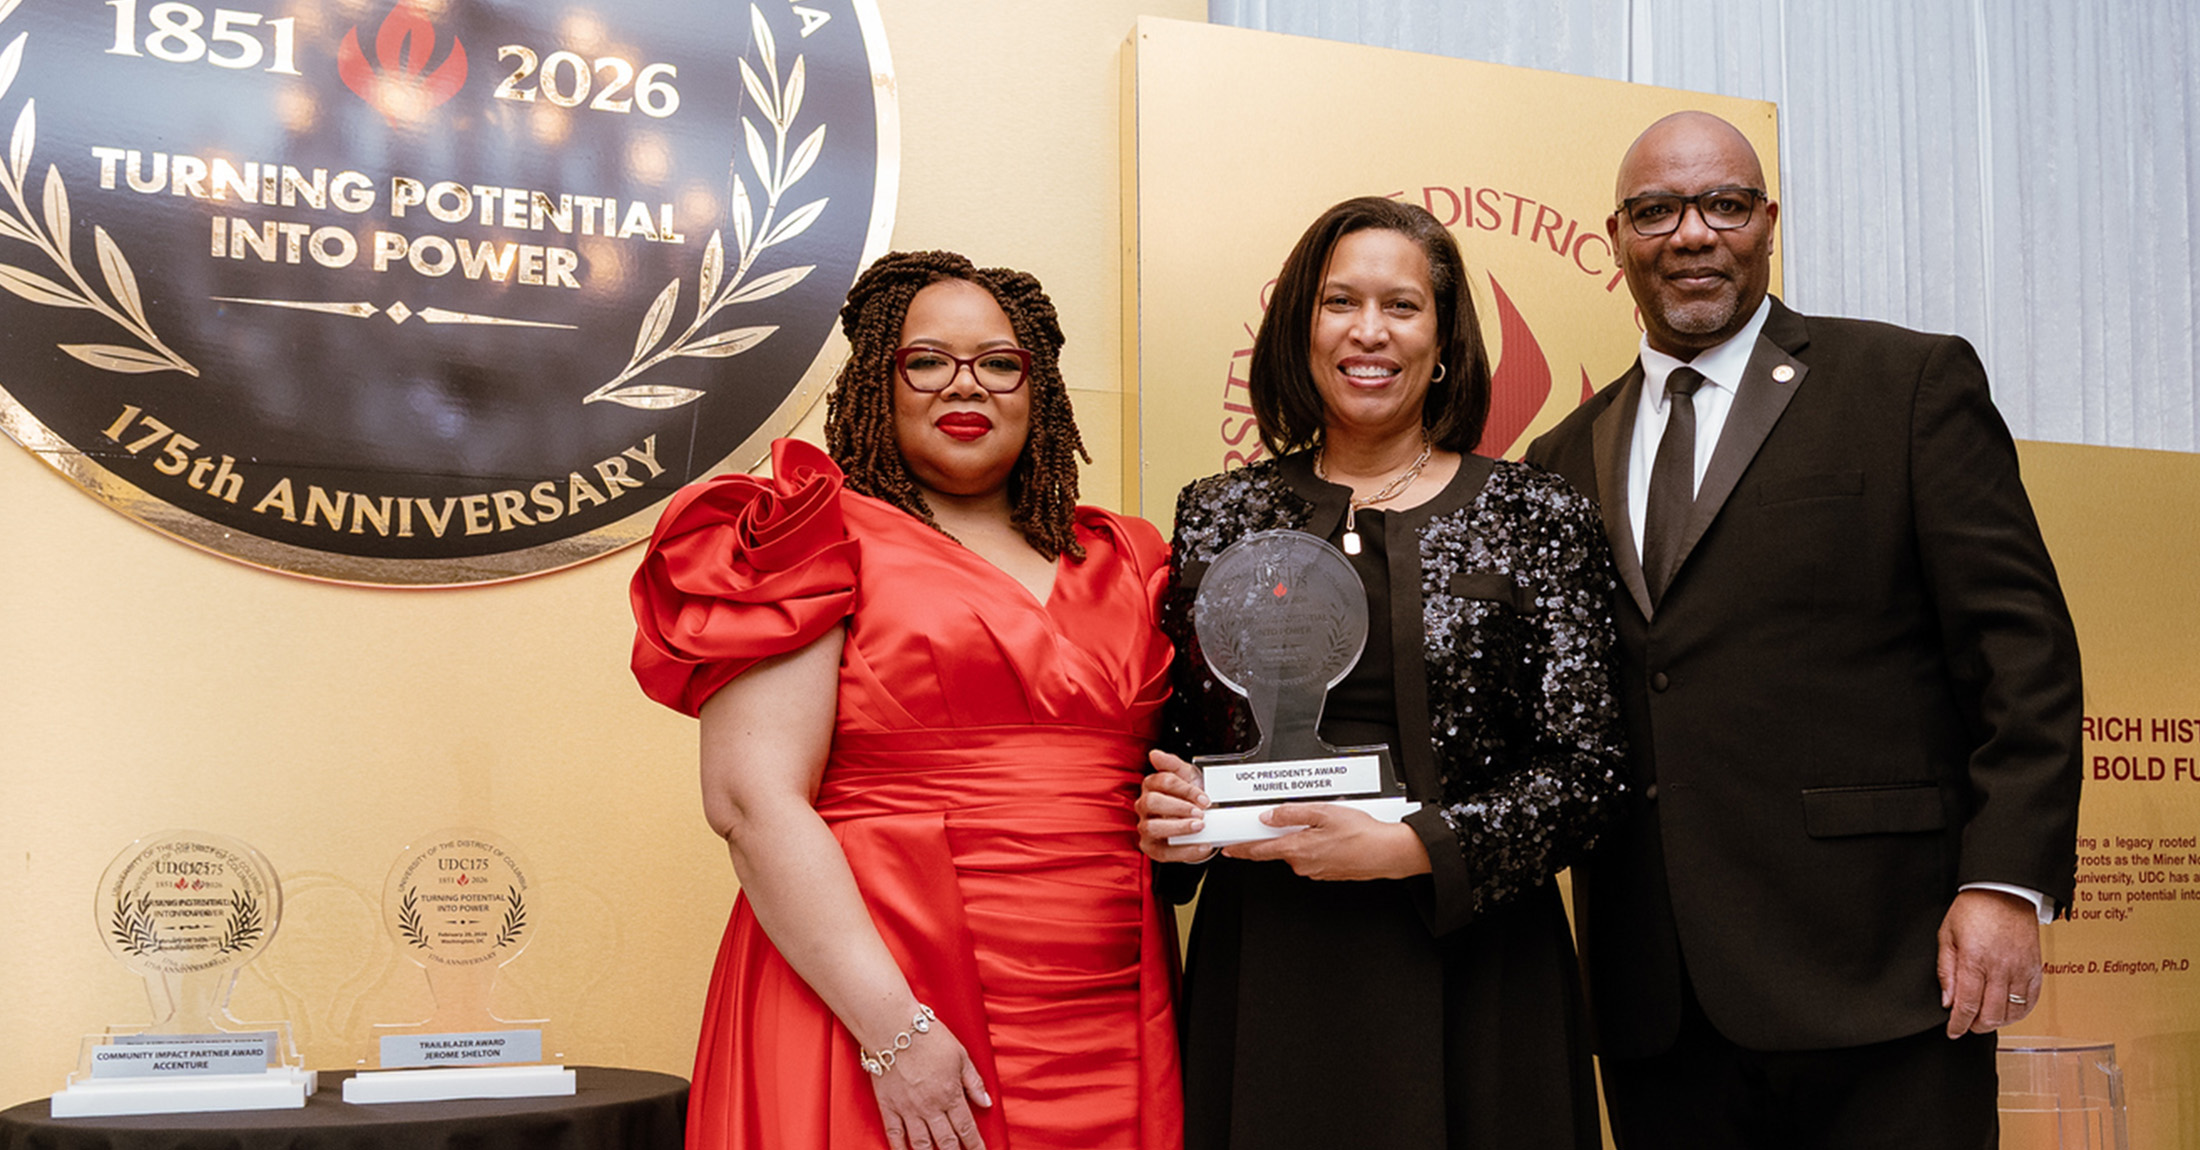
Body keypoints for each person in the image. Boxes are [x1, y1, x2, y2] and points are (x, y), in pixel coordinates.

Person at [1523, 111, 2084, 1148]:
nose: (1693, 233)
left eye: (1724, 204)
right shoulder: (1561, 455)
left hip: (1884, 967)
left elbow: (2022, 653)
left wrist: (2004, 882)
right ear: (1617, 238)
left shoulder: (1905, 384)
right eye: (1656, 211)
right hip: (1659, 996)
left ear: (1768, 221)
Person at [631, 251, 1183, 1150]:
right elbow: (752, 803)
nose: (965, 384)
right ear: (876, 380)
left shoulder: (1126, 558)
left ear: (1039, 386)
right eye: (926, 360)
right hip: (886, 1003)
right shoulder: (809, 535)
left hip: (1106, 1015)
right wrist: (894, 1030)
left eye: (999, 362)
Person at [1135, 196, 1627, 1149]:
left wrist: (1416, 848)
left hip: (1480, 968)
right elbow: (1183, 746)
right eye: (1340, 302)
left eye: (1401, 306)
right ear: (1301, 328)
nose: (1370, 331)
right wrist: (1173, 820)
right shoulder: (1218, 514)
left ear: (1442, 343)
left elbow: (1590, 769)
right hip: (1273, 964)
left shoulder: (1535, 513)